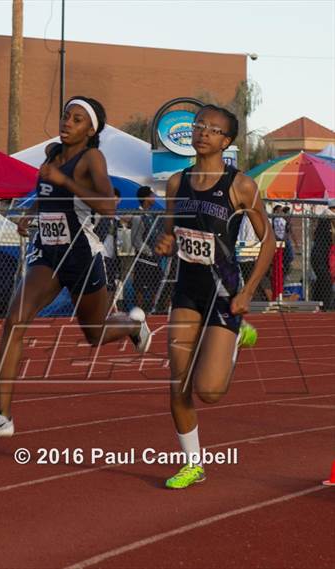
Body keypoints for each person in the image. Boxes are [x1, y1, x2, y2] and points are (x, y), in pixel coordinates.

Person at [0, 96, 151, 438]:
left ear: (90, 130)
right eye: (66, 115)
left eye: (77, 119)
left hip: (80, 255)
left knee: (94, 333)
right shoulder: (52, 155)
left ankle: (131, 327)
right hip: (48, 253)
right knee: (14, 321)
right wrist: (31, 212)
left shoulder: (91, 159)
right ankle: (3, 415)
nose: (67, 122)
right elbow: (47, 189)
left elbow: (109, 207)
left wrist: (66, 181)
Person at [155, 104, 276, 489]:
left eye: (212, 129)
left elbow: (268, 240)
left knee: (209, 392)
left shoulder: (240, 185)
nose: (202, 132)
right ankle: (193, 464)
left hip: (225, 294)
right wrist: (165, 241)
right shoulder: (177, 182)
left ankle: (237, 333)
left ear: (226, 141)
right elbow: (170, 233)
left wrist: (249, 291)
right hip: (187, 291)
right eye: (198, 126)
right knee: (178, 381)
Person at [131, 186, 164, 312]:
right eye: (152, 195)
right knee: (140, 289)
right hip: (144, 261)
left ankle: (151, 311)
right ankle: (138, 313)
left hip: (155, 260)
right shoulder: (138, 216)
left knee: (156, 287)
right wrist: (150, 252)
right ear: (145, 198)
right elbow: (136, 240)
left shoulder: (152, 215)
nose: (154, 197)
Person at [94, 187, 122, 308]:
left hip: (113, 255)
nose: (113, 204)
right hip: (101, 254)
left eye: (115, 201)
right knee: (101, 283)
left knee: (112, 283)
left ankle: (108, 308)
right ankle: (100, 308)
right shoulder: (99, 214)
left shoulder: (117, 219)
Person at [311, 198, 335, 310]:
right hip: (320, 256)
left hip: (323, 256)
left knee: (322, 280)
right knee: (326, 280)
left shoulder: (328, 219)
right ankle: (325, 306)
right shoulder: (327, 219)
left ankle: (318, 304)